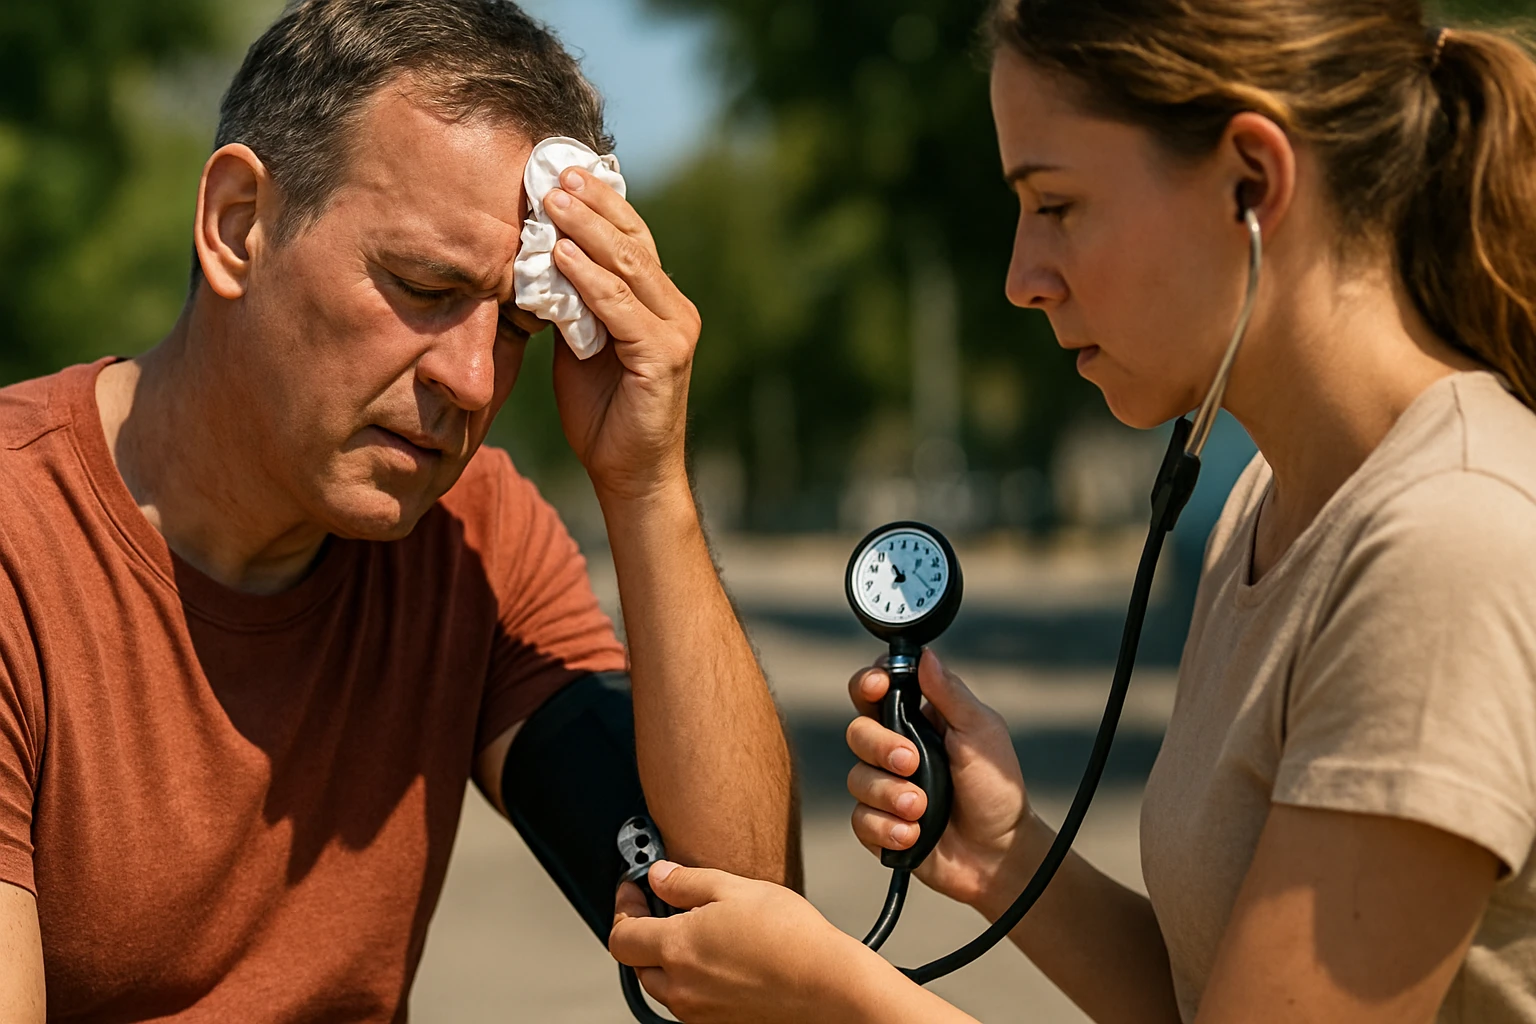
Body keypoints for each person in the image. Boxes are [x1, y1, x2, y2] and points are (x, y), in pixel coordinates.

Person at [607, 1, 1536, 1021]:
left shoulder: (1446, 545)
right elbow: (1207, 998)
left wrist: (827, 997)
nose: (1022, 279)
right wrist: (1006, 858)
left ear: (1252, 182)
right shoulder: (1271, 506)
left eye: (1055, 204)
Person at [0, 0, 798, 1019]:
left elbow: (745, 949)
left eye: (516, 325)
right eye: (423, 287)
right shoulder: (19, 542)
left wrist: (647, 487)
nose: (473, 379)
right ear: (238, 225)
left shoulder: (476, 538)